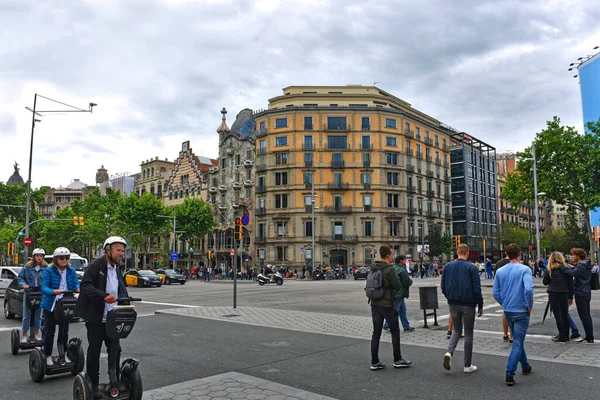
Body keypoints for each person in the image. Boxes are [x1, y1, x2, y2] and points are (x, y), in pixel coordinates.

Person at [77, 236, 130, 397]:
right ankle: (93, 384)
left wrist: (126, 304)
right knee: (94, 350)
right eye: (118, 250)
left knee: (116, 349)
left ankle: (114, 381)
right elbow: (85, 286)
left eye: (122, 250)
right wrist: (103, 296)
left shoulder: (117, 268)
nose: (121, 253)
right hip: (96, 317)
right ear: (108, 250)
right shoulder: (96, 265)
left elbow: (120, 289)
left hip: (113, 317)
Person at [493, 243, 533, 386]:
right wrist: (529, 305)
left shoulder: (500, 271)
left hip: (508, 310)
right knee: (517, 341)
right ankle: (510, 372)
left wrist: (504, 303)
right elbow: (528, 290)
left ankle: (526, 366)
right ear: (519, 254)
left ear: (507, 255)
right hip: (521, 310)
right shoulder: (525, 269)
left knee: (517, 339)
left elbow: (495, 292)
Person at [441, 244, 483, 373]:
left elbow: (443, 286)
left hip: (453, 303)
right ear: (467, 253)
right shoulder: (471, 268)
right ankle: (467, 365)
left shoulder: (447, 267)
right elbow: (476, 289)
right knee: (468, 333)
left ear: (457, 252)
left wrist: (449, 297)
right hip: (468, 303)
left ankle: (449, 352)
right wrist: (480, 304)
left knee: (456, 330)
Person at [369, 245, 411, 370]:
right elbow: (397, 286)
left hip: (374, 303)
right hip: (387, 304)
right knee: (395, 331)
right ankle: (397, 359)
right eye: (391, 254)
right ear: (387, 256)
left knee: (376, 333)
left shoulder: (373, 268)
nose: (392, 257)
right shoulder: (389, 269)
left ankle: (374, 361)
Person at [41, 247, 80, 366]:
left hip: (66, 302)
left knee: (64, 331)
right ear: (56, 259)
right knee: (50, 331)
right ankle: (47, 355)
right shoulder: (49, 270)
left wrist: (77, 288)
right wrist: (53, 291)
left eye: (67, 258)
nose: (64, 260)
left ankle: (63, 354)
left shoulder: (71, 270)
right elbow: (44, 287)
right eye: (61, 258)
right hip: (51, 304)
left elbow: (75, 282)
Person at [559, 248, 594, 343]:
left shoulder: (581, 266)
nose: (572, 256)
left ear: (578, 256)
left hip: (581, 293)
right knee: (586, 315)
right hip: (586, 292)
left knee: (584, 315)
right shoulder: (585, 264)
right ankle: (589, 335)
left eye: (574, 255)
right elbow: (575, 270)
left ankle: (589, 337)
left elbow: (573, 273)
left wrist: (561, 267)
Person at [17, 248, 47, 343]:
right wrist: (24, 284)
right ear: (34, 257)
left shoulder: (46, 268)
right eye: (37, 256)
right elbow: (20, 278)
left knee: (38, 315)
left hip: (40, 293)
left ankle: (36, 334)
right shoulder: (27, 267)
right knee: (27, 315)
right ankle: (25, 335)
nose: (39, 258)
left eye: (41, 256)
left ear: (43, 257)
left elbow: (48, 279)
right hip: (29, 293)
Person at [542, 252, 573, 343]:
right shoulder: (566, 269)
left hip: (554, 293)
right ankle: (566, 335)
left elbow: (545, 282)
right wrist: (570, 297)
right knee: (565, 314)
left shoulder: (549, 269)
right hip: (564, 293)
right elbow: (570, 284)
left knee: (558, 315)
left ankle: (561, 335)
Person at [383, 255, 414, 332]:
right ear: (401, 260)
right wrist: (411, 282)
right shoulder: (402, 270)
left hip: (394, 292)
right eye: (404, 260)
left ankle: (406, 326)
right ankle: (388, 325)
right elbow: (406, 282)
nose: (405, 261)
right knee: (395, 310)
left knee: (402, 310)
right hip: (400, 293)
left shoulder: (393, 268)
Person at [494, 254, 513, 343]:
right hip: (513, 290)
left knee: (505, 312)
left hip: (503, 291)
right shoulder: (515, 263)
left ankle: (505, 334)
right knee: (514, 313)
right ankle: (512, 335)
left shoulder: (499, 263)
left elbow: (495, 279)